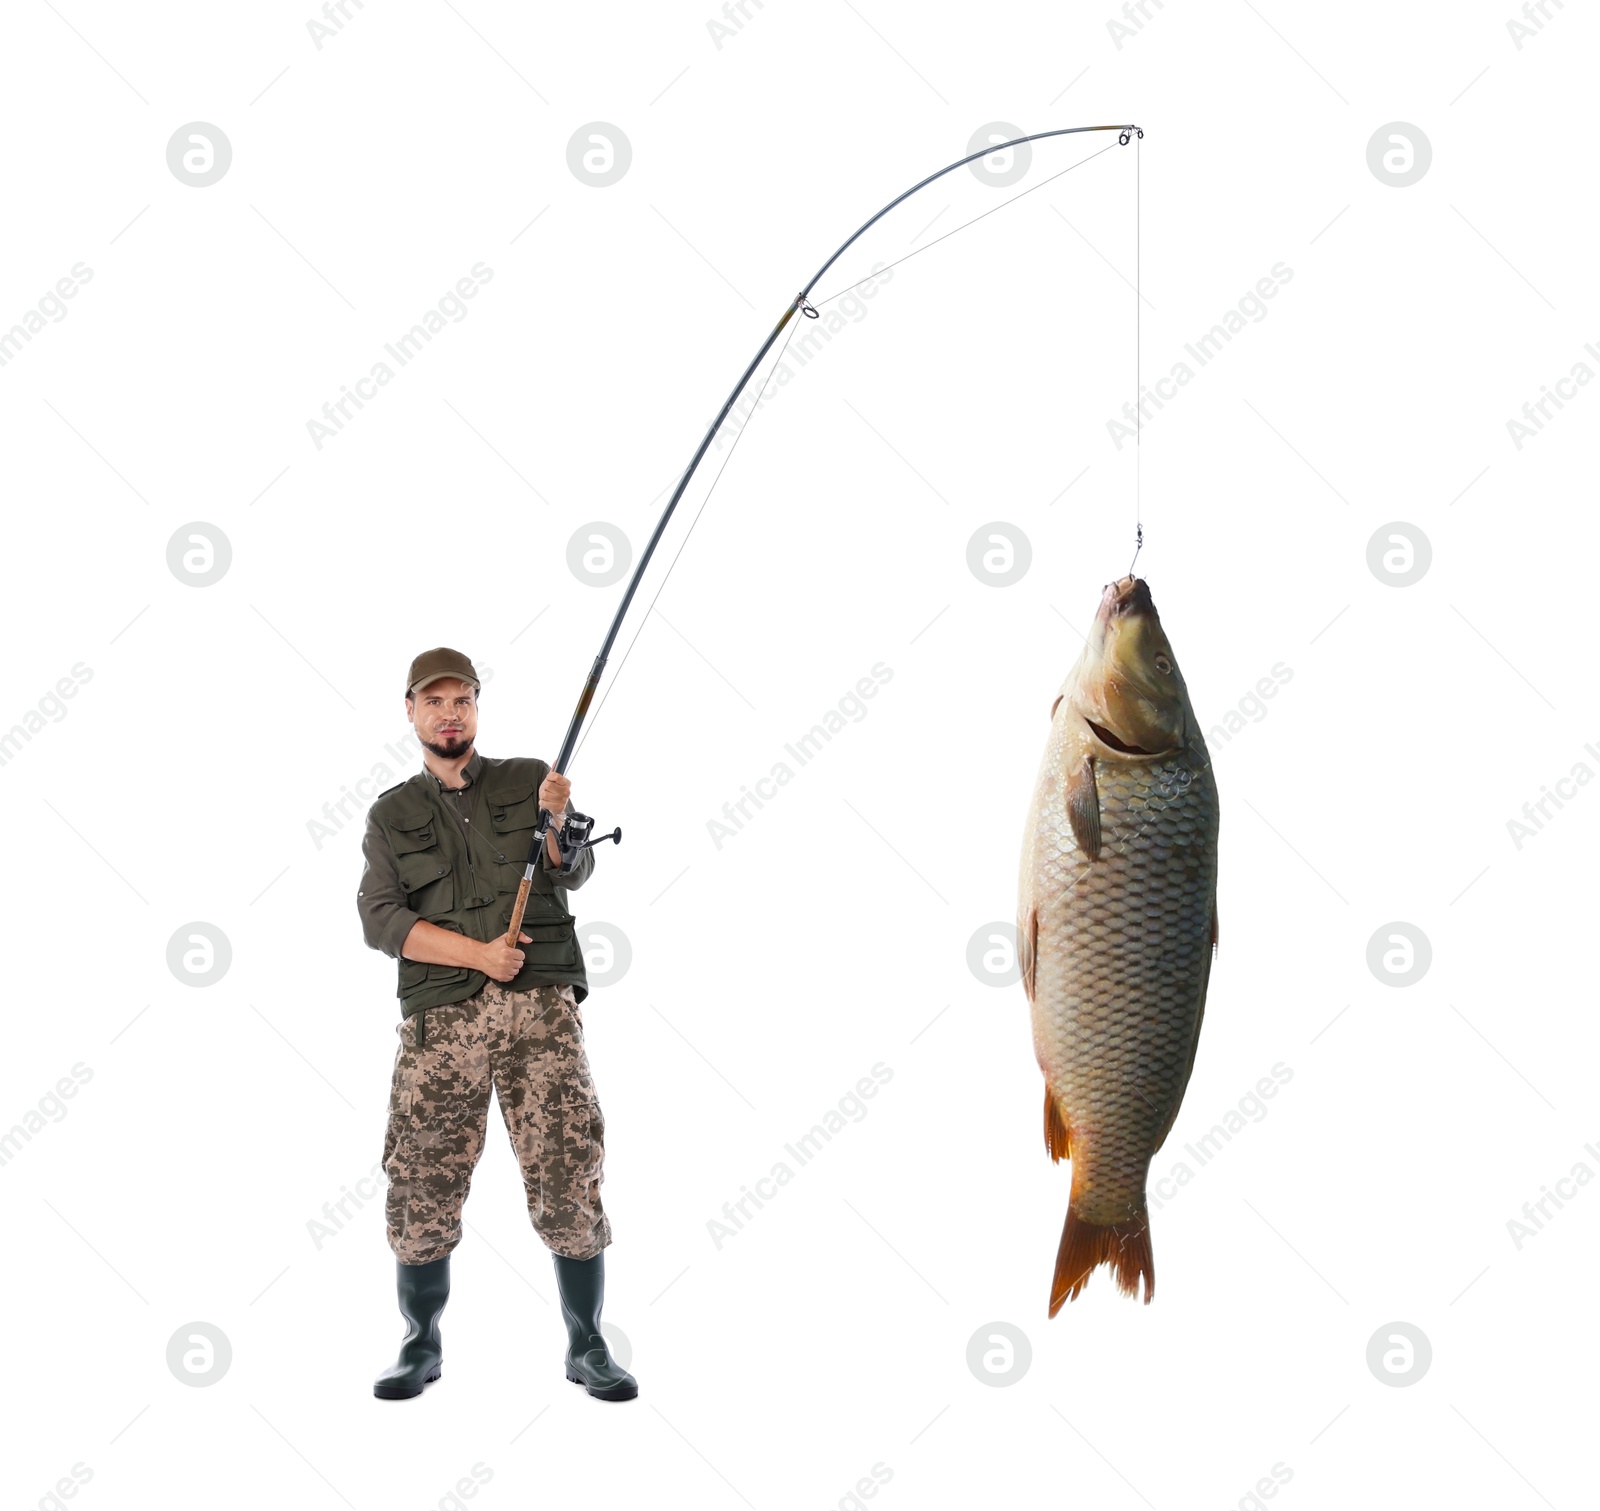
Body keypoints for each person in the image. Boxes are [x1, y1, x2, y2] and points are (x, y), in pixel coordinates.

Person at [356, 646, 636, 1402]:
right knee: (421, 1178)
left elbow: (569, 868)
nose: (450, 712)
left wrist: (556, 827)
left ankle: (587, 1342)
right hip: (439, 1022)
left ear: (476, 706)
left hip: (540, 1012)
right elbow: (382, 920)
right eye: (434, 700)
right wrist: (478, 952)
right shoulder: (391, 813)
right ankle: (421, 1343)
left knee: (567, 1166)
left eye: (462, 699)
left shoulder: (528, 779)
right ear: (410, 711)